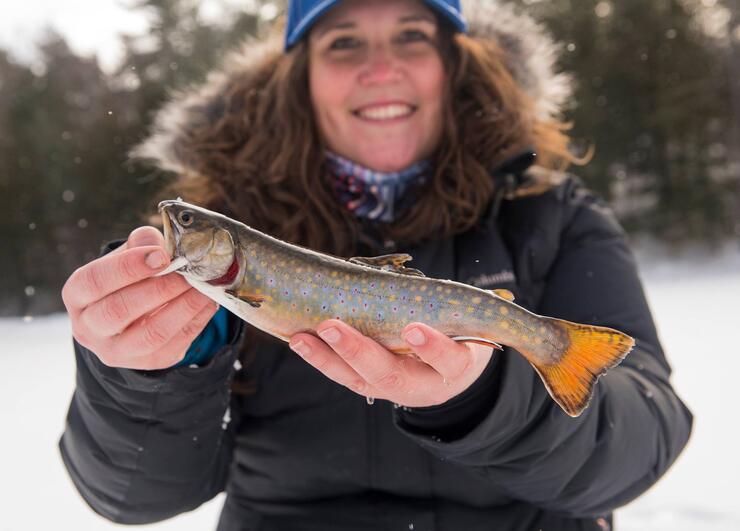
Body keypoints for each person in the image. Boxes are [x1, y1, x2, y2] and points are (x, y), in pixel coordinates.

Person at [58, 1, 693, 530]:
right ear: (299, 75)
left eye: (411, 36)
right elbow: (136, 497)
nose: (380, 67)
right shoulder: (226, 233)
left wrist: (486, 399)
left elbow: (642, 439)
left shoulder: (557, 217)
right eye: (344, 42)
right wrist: (141, 377)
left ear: (454, 65)